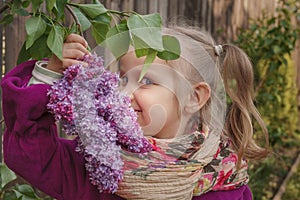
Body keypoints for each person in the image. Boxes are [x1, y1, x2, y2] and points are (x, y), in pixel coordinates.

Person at [1, 26, 269, 200]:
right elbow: (29, 155)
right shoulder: (97, 162)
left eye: (147, 81)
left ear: (193, 98)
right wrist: (49, 75)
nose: (123, 93)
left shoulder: (223, 177)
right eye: (121, 79)